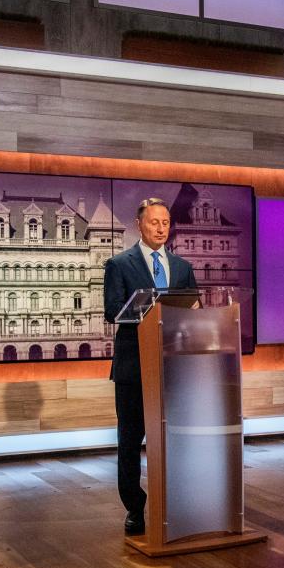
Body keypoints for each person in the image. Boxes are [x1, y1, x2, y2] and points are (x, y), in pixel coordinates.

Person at [103, 198, 198, 535]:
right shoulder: (119, 264)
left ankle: (176, 499)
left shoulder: (182, 266)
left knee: (175, 438)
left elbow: (192, 308)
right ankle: (134, 506)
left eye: (166, 222)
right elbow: (113, 310)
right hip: (134, 367)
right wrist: (148, 308)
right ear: (139, 224)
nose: (161, 228)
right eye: (154, 222)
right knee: (130, 440)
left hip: (173, 364)